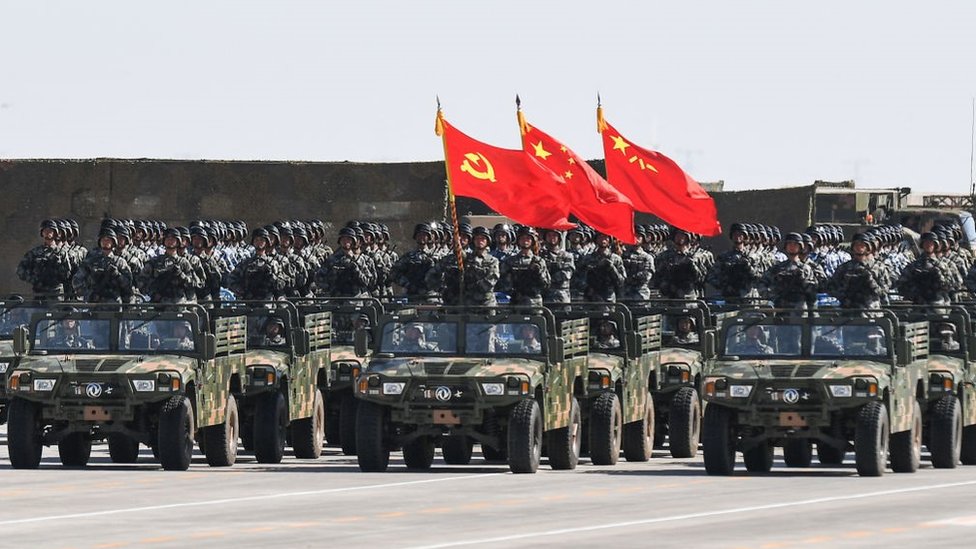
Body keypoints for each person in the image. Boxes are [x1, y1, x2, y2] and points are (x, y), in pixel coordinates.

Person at [760, 232, 819, 309]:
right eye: (789, 244)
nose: (792, 246)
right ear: (786, 246)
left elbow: (813, 293)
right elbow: (761, 284)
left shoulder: (806, 269)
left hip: (799, 311)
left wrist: (802, 282)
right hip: (779, 310)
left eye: (795, 244)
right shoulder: (777, 268)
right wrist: (772, 293)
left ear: (800, 247)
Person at [17, 219, 72, 300]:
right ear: (42, 233)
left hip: (56, 293)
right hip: (39, 293)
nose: (47, 233)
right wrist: (34, 279)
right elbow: (20, 270)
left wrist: (56, 277)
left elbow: (68, 272)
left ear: (55, 233)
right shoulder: (35, 253)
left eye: (50, 230)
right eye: (45, 230)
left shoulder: (61, 253)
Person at [499, 227, 551, 306]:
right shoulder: (510, 261)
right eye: (522, 238)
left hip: (534, 302)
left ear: (532, 241)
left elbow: (546, 284)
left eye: (528, 238)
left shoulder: (539, 261)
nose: (525, 241)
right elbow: (503, 284)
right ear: (518, 241)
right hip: (516, 301)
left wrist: (539, 273)